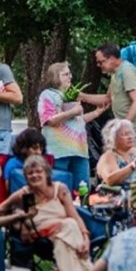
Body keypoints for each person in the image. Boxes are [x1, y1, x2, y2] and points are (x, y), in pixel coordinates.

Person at [1, 155, 95, 271]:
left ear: (46, 173)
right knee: (69, 224)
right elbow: (1, 210)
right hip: (40, 235)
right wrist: (17, 215)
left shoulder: (60, 189)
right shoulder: (27, 194)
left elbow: (75, 216)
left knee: (64, 236)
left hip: (61, 236)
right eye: (30, 173)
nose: (34, 175)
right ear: (26, 177)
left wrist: (86, 239)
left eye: (38, 171)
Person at [35, 62, 100, 194]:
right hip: (58, 152)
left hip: (80, 150)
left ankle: (81, 214)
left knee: (82, 191)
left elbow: (77, 121)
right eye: (65, 74)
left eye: (70, 73)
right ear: (55, 77)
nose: (70, 76)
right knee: (58, 191)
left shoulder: (71, 95)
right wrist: (73, 112)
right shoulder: (47, 95)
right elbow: (49, 120)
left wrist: (98, 112)